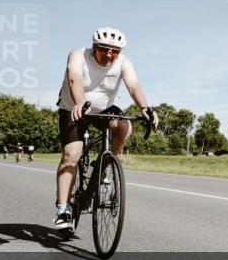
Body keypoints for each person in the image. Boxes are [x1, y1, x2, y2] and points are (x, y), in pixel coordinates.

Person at [53, 27, 158, 231]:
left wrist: (145, 107)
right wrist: (80, 102)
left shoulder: (123, 62)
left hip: (103, 109)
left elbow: (133, 86)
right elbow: (74, 77)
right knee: (71, 155)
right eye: (103, 49)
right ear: (94, 47)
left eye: (114, 51)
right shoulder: (78, 55)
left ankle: (104, 165)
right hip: (73, 107)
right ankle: (63, 209)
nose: (109, 54)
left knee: (125, 126)